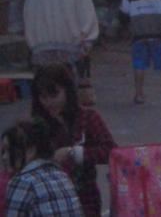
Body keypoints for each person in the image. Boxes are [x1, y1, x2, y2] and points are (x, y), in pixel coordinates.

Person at [30, 63, 116, 217]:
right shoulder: (35, 124)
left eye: (54, 95)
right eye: (43, 97)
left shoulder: (88, 117)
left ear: (67, 91)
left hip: (86, 198)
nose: (48, 102)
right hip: (46, 200)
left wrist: (74, 153)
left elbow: (112, 152)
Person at [2, 118, 84, 216]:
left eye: (9, 150)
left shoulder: (22, 181)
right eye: (3, 151)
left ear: (30, 151)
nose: (4, 157)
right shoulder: (61, 175)